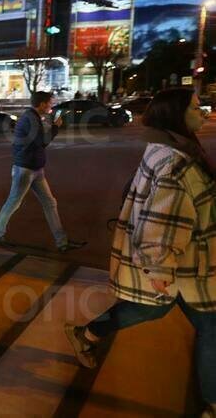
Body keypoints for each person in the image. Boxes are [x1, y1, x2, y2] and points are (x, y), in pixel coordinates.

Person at [65, 88, 216, 417]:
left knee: (151, 310)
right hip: (187, 265)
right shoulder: (176, 162)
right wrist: (160, 270)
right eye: (195, 107)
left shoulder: (169, 148)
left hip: (188, 262)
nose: (202, 112)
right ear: (176, 115)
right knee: (211, 327)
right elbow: (160, 221)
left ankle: (86, 333)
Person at [0, 91, 84, 252]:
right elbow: (42, 141)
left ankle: (62, 242)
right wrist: (55, 127)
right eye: (50, 102)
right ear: (41, 104)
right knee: (13, 202)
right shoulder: (30, 119)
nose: (51, 105)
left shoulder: (33, 117)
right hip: (25, 169)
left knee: (50, 203)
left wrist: (51, 126)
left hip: (35, 169)